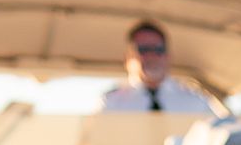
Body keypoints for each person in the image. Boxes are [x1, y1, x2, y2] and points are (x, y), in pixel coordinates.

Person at [95, 21, 226, 115]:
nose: (152, 56)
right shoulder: (111, 104)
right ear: (127, 58)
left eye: (158, 49)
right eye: (143, 50)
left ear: (169, 56)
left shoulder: (196, 101)